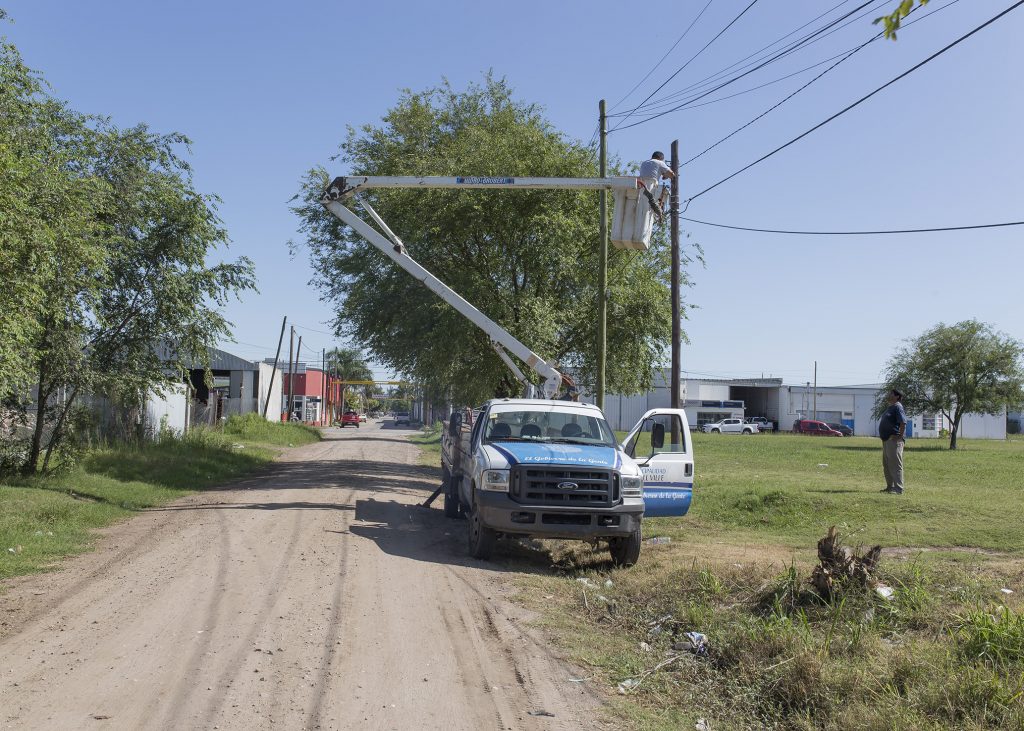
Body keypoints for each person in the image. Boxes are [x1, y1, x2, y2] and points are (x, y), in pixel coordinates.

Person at [878, 388, 907, 494]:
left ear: (897, 396)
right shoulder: (890, 407)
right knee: (887, 464)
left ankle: (899, 488)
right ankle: (890, 487)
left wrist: (900, 435)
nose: (889, 395)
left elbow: (903, 422)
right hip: (886, 440)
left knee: (895, 464)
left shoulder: (898, 407)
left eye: (891, 394)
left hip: (894, 441)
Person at [638, 151, 675, 220]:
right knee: (665, 192)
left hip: (641, 186)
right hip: (651, 186)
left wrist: (663, 174)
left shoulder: (644, 163)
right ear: (661, 158)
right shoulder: (660, 162)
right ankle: (660, 211)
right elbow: (672, 175)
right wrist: (666, 175)